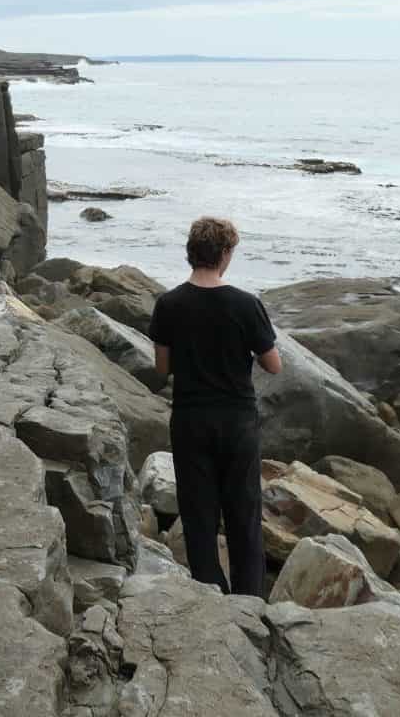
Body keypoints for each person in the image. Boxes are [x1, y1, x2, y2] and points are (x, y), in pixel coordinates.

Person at [148, 217, 282, 596]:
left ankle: (209, 593)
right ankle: (249, 601)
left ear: (192, 252)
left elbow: (162, 368)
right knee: (244, 516)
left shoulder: (169, 304)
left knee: (199, 516)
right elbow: (274, 364)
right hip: (237, 421)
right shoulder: (245, 304)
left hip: (191, 420)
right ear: (224, 254)